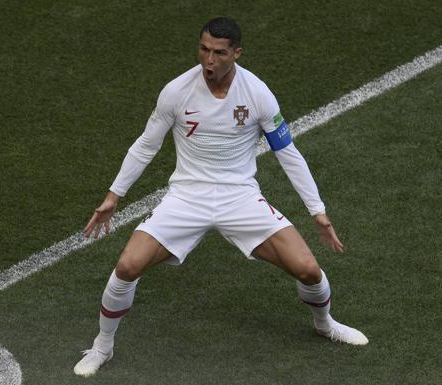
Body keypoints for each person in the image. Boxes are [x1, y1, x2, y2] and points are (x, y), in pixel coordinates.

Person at [74, 16, 368, 377]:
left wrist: (317, 211)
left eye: (218, 53)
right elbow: (146, 145)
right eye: (203, 49)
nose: (208, 61)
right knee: (127, 266)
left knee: (308, 269)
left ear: (236, 54)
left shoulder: (258, 94)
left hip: (240, 197)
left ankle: (325, 324)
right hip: (186, 197)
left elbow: (287, 152)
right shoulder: (176, 91)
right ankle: (102, 346)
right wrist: (113, 196)